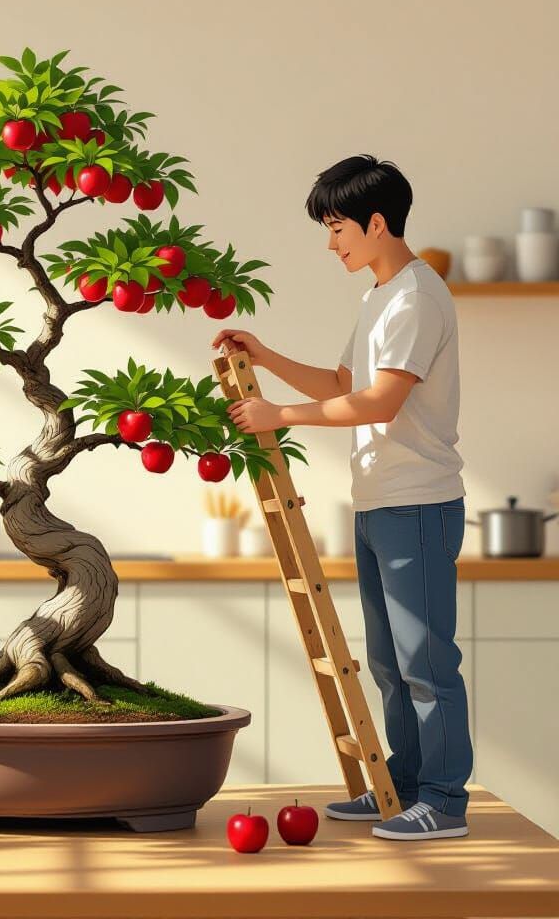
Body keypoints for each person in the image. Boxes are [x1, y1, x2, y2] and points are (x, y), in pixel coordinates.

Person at [211, 154, 472, 841]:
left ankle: (443, 802)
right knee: (389, 662)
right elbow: (340, 381)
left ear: (377, 222)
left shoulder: (417, 298)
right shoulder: (380, 296)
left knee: (426, 662)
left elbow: (381, 400)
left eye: (337, 229)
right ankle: (403, 788)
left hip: (416, 502)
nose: (332, 245)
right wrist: (266, 359)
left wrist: (279, 416)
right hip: (380, 500)